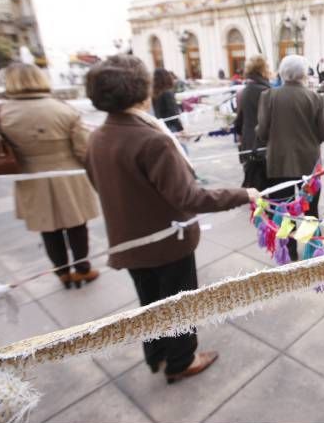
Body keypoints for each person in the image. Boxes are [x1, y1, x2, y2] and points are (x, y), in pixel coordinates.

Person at [84, 54, 258, 383]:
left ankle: (157, 354)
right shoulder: (152, 140)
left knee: (149, 301)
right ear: (140, 90)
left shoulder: (97, 136)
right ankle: (181, 360)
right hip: (168, 241)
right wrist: (242, 194)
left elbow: (98, 183)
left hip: (130, 240)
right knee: (179, 304)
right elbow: (189, 197)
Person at [0, 63, 100, 289]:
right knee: (77, 226)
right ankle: (83, 269)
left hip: (29, 175)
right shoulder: (63, 109)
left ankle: (62, 273)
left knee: (48, 230)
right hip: (68, 174)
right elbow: (83, 149)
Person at [257, 55, 324, 260]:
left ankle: (289, 250)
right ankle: (311, 248)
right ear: (304, 74)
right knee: (310, 208)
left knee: (283, 208)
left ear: (282, 73)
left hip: (279, 161)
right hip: (309, 163)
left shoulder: (268, 96)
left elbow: (262, 133)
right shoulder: (315, 97)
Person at [233, 55, 272, 189]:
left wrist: (241, 135)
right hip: (262, 143)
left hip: (249, 141)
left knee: (254, 181)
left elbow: (239, 120)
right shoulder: (266, 91)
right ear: (263, 69)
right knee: (265, 183)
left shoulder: (245, 90)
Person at [152, 68, 184, 134]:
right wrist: (180, 128)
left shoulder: (154, 93)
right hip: (171, 125)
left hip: (161, 125)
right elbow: (173, 112)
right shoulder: (167, 92)